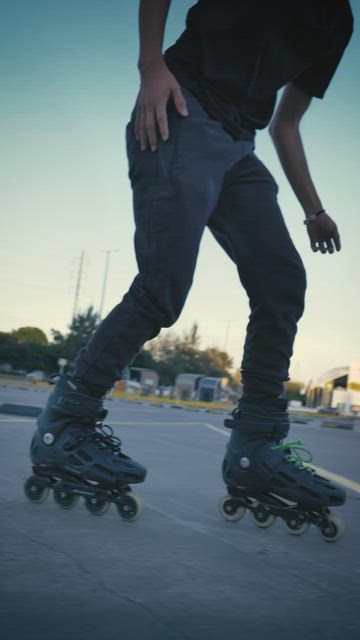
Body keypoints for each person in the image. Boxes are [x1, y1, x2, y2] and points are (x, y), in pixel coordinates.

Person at [27, 0, 353, 528]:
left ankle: (256, 449)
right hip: (178, 107)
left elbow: (285, 122)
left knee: (282, 283)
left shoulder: (337, 20)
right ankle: (65, 425)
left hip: (237, 147)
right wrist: (151, 66)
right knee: (164, 288)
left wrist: (314, 210)